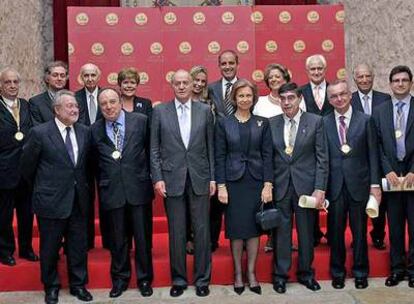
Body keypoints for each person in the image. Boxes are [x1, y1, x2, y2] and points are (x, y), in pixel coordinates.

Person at [21, 90, 93, 304]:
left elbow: (86, 166)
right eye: (69, 106)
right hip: (50, 201)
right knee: (50, 247)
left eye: (76, 106)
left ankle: (78, 285)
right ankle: (51, 286)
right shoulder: (40, 132)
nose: (75, 109)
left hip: (78, 200)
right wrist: (45, 188)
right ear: (57, 110)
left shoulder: (84, 132)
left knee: (78, 245)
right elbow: (27, 167)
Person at [150, 69, 215, 297]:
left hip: (200, 177)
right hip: (171, 178)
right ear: (172, 85)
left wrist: (213, 177)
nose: (181, 86)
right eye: (177, 83)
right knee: (176, 232)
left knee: (202, 230)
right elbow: (154, 148)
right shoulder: (160, 111)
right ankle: (178, 279)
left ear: (192, 85)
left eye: (185, 82)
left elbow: (210, 147)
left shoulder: (205, 111)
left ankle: (202, 279)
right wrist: (157, 177)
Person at [91, 88, 154, 298]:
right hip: (112, 191)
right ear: (100, 107)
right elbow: (93, 163)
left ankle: (145, 279)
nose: (108, 107)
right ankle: (120, 279)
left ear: (120, 102)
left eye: (112, 102)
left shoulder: (141, 121)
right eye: (104, 104)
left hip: (139, 188)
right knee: (118, 240)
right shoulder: (94, 130)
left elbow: (151, 151)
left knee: (143, 239)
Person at [215, 79, 273, 295]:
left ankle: (251, 273)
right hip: (233, 183)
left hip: (256, 182)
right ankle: (238, 274)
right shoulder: (223, 123)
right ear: (234, 98)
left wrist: (268, 185)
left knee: (254, 229)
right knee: (237, 229)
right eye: (241, 96)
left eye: (249, 95)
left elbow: (268, 156)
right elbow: (219, 156)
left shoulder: (262, 122)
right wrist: (221, 186)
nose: (245, 99)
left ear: (254, 98)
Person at [269, 82, 328, 294]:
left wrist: (320, 188)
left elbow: (322, 158)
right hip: (281, 186)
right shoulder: (271, 123)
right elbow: (269, 158)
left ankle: (306, 273)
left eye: (290, 98)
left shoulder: (315, 122)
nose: (286, 102)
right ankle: (280, 276)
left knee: (306, 234)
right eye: (283, 98)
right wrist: (268, 185)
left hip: (307, 188)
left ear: (299, 98)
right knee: (281, 234)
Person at [324, 79, 381, 289]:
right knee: (336, 232)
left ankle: (360, 272)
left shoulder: (366, 120)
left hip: (360, 184)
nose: (338, 99)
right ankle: (337, 272)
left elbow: (373, 155)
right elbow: (323, 158)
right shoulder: (324, 122)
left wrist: (375, 185)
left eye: (342, 94)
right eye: (334, 96)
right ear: (329, 100)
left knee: (359, 232)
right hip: (335, 186)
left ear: (350, 95)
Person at [373, 65, 414, 288]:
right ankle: (397, 270)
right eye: (396, 80)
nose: (400, 84)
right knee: (395, 227)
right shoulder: (380, 111)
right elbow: (377, 144)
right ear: (390, 84)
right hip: (391, 179)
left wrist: (413, 171)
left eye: (404, 80)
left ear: (411, 83)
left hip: (412, 176)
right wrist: (387, 170)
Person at [0, 67, 38, 266]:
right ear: (1, 85)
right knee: (4, 216)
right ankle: (5, 251)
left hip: (26, 172)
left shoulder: (25, 105)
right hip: (4, 171)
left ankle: (26, 248)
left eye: (15, 82)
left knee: (26, 214)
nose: (13, 86)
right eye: (8, 82)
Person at [351, 63, 390, 250]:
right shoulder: (348, 100)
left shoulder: (385, 98)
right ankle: (358, 236)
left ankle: (378, 235)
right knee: (357, 200)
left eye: (367, 76)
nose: (364, 80)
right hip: (356, 159)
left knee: (379, 200)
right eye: (360, 77)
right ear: (355, 79)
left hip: (380, 156)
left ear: (373, 77)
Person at [208, 50, 239, 251]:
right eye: (223, 63)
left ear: (237, 63)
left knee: (238, 200)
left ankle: (241, 238)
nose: (227, 66)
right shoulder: (210, 88)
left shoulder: (246, 86)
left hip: (240, 148)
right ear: (219, 66)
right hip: (217, 147)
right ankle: (211, 241)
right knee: (215, 203)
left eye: (231, 63)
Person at [300, 54, 332, 246]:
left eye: (320, 68)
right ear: (307, 71)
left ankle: (332, 233)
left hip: (334, 146)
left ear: (325, 69)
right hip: (310, 149)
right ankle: (313, 233)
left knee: (332, 190)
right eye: (313, 69)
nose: (317, 72)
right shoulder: (301, 92)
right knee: (311, 188)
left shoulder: (334, 90)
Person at [75, 62, 103, 250]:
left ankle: (109, 239)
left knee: (108, 198)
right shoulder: (74, 97)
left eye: (93, 75)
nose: (90, 79)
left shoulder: (108, 96)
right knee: (84, 199)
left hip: (104, 155)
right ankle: (86, 240)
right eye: (86, 75)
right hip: (82, 156)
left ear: (98, 76)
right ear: (81, 77)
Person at [29, 61, 68, 126]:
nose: (59, 78)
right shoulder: (36, 102)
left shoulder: (74, 100)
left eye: (62, 76)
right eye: (55, 75)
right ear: (47, 78)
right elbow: (37, 129)